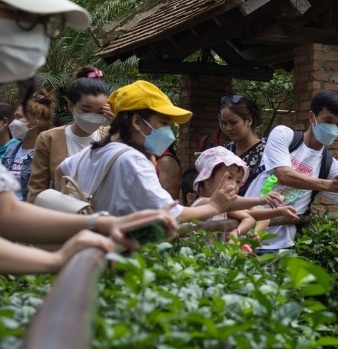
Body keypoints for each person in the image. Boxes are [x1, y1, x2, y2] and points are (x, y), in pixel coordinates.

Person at [0, 0, 177, 273]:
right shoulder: (52, 138)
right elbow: (30, 199)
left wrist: (98, 225)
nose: (40, 38)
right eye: (25, 20)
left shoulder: (111, 140)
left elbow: (8, 214)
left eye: (50, 28)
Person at [57, 80, 234, 221]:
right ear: (136, 122)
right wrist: (215, 207)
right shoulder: (132, 160)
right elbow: (170, 213)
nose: (168, 131)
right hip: (117, 257)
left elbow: (60, 170)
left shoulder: (88, 154)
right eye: (163, 123)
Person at [243, 89, 338, 253]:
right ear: (312, 117)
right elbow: (283, 175)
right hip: (244, 231)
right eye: (328, 121)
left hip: (281, 245)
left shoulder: (330, 166)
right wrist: (328, 185)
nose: (333, 129)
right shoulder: (284, 135)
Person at [28, 65, 110, 203]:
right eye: (86, 109)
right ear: (70, 106)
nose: (93, 115)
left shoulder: (112, 136)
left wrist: (119, 123)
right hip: (65, 218)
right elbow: (37, 191)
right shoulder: (49, 138)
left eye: (100, 111)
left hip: (106, 218)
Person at [189, 146, 298, 240]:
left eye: (238, 181)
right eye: (229, 177)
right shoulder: (202, 203)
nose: (234, 185)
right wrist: (260, 200)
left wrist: (279, 212)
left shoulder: (223, 208)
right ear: (207, 180)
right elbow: (235, 204)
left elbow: (250, 215)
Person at [1, 88, 52, 200]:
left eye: (19, 117)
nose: (13, 122)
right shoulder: (11, 149)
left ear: (34, 123)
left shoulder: (46, 154)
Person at [219, 93, 266, 196]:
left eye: (233, 122)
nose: (228, 128)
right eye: (224, 123)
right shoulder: (224, 151)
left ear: (249, 121)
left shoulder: (267, 151)